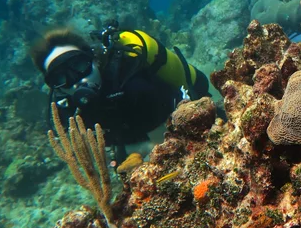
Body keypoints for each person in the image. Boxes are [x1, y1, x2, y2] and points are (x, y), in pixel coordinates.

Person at [30, 21, 210, 163]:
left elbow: (166, 128)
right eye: (61, 78)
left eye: (79, 66)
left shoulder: (131, 83)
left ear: (93, 60)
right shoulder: (66, 115)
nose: (76, 80)